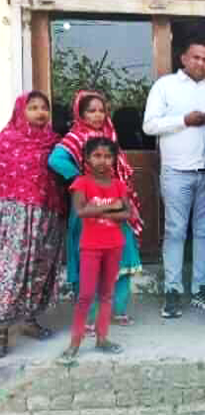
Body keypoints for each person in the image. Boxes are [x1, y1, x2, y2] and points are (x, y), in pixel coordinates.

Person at [143, 37, 205, 317]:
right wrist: (183, 120)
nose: (201, 63)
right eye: (196, 57)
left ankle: (200, 288)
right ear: (183, 59)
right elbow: (149, 125)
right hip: (176, 171)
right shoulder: (165, 86)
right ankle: (173, 291)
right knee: (175, 231)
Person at [49, 91, 143, 330]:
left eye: (102, 110)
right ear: (80, 114)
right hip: (88, 206)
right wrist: (80, 179)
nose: (98, 115)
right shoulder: (74, 137)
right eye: (91, 111)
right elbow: (55, 160)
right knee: (89, 261)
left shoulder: (109, 135)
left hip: (114, 199)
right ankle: (90, 318)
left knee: (121, 257)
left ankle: (118, 310)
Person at [0, 92, 66, 358]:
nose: (40, 112)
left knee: (41, 267)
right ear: (21, 111)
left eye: (44, 108)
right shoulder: (7, 141)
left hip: (48, 213)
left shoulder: (54, 142)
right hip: (18, 216)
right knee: (13, 269)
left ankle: (29, 319)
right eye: (33, 107)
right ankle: (2, 327)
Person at [57, 138, 130, 365]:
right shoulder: (81, 183)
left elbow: (127, 214)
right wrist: (112, 206)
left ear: (114, 159)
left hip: (114, 245)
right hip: (90, 247)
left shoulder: (119, 185)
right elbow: (81, 211)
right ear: (87, 158)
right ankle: (75, 343)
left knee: (107, 294)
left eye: (108, 156)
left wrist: (97, 209)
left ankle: (102, 339)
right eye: (97, 156)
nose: (102, 161)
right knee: (86, 296)